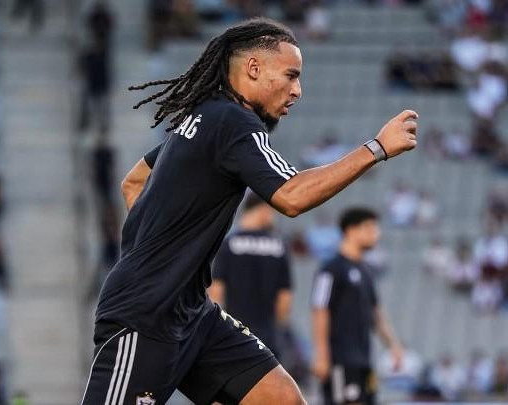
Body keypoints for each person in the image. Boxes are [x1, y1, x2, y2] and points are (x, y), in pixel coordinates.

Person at [81, 18, 418, 405]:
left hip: (192, 312)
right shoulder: (234, 122)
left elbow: (134, 181)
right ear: (254, 68)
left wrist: (164, 246)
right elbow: (291, 196)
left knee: (283, 399)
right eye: (291, 75)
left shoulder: (205, 117)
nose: (297, 90)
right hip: (146, 312)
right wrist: (377, 148)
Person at [310, 208, 404, 405]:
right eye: (369, 228)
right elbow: (320, 310)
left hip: (364, 359)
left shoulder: (366, 272)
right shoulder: (330, 270)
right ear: (351, 231)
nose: (376, 234)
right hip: (340, 359)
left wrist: (393, 346)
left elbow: (376, 312)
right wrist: (321, 355)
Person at [208, 192, 293, 358]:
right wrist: (278, 327)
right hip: (267, 336)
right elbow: (284, 298)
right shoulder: (279, 246)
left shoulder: (229, 244)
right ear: (263, 209)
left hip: (234, 334)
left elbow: (216, 291)